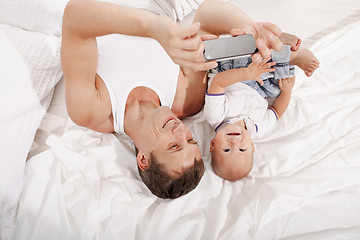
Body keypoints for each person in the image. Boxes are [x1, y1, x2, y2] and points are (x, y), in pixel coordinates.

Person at [61, 0, 285, 198]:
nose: (181, 130)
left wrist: (152, 27)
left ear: (143, 160)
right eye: (191, 140)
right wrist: (250, 29)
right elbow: (207, 16)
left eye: (173, 146)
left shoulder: (92, 110)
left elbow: (75, 16)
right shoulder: (187, 99)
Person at [203, 43, 319, 181]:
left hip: (234, 73)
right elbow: (277, 111)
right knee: (278, 89)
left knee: (252, 60)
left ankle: (287, 53)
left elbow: (218, 83)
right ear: (252, 146)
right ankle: (283, 50)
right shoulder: (258, 128)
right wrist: (287, 91)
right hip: (261, 88)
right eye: (242, 149)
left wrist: (248, 73)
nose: (234, 143)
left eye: (226, 150)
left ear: (213, 144)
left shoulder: (215, 116)